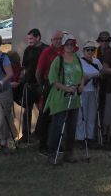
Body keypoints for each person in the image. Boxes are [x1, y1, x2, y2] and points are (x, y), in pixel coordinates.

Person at [45, 33, 85, 165]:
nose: (69, 46)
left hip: (74, 99)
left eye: (72, 44)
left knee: (71, 128)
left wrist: (81, 85)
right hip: (60, 98)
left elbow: (82, 75)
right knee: (57, 127)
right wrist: (66, 88)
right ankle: (52, 154)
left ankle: (69, 153)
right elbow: (53, 79)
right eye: (67, 44)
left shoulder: (77, 59)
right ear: (63, 46)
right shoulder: (58, 60)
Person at [35, 29, 64, 154]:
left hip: (62, 86)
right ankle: (43, 145)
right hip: (49, 85)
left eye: (60, 39)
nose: (58, 41)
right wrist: (43, 85)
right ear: (51, 40)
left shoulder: (64, 52)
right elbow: (39, 72)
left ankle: (56, 143)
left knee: (58, 116)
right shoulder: (46, 52)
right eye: (55, 39)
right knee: (45, 116)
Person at [19, 28, 47, 140]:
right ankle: (26, 135)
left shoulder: (46, 49)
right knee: (27, 110)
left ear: (38, 37)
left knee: (42, 109)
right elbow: (24, 67)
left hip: (41, 84)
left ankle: (39, 133)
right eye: (28, 38)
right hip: (29, 84)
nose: (29, 41)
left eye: (31, 38)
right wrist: (22, 79)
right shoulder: (28, 50)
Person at [76, 40, 102, 143]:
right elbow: (79, 76)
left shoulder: (97, 62)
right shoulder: (79, 62)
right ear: (84, 51)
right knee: (82, 115)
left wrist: (94, 75)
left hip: (94, 90)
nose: (90, 52)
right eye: (88, 50)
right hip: (83, 91)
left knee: (92, 115)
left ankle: (90, 137)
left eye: (92, 49)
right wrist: (92, 75)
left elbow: (101, 73)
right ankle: (80, 138)